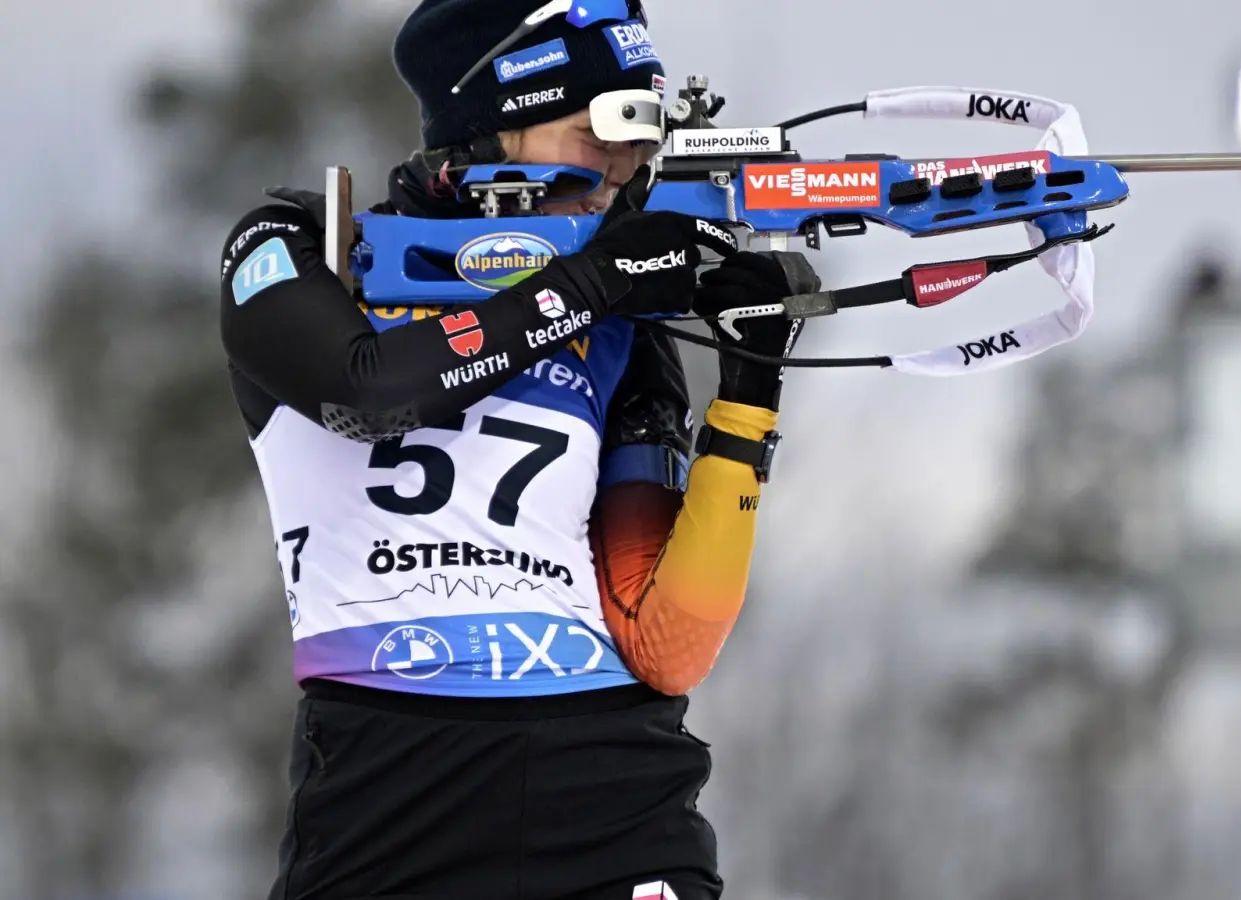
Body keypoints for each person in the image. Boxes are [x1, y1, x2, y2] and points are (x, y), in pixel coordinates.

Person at [218, 1, 813, 897]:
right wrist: (598, 279)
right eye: (597, 130)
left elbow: (667, 641)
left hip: (616, 793)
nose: (625, 165)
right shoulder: (307, 245)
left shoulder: (620, 330)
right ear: (494, 120)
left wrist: (751, 389)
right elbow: (369, 391)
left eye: (644, 139)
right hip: (388, 797)